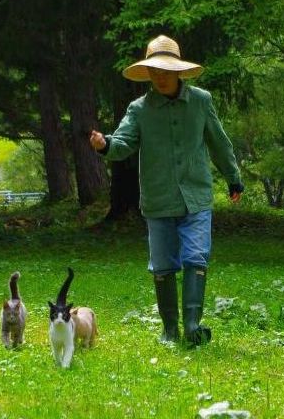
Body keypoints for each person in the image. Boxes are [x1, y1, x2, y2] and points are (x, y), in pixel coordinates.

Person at [89, 35, 243, 346]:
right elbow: (123, 143)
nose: (160, 77)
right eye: (154, 72)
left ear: (178, 72)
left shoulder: (201, 101)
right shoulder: (140, 109)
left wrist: (233, 177)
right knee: (162, 265)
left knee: (196, 256)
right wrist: (105, 145)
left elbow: (218, 141)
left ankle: (192, 326)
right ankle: (169, 330)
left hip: (196, 197)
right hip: (158, 200)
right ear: (148, 73)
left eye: (165, 71)